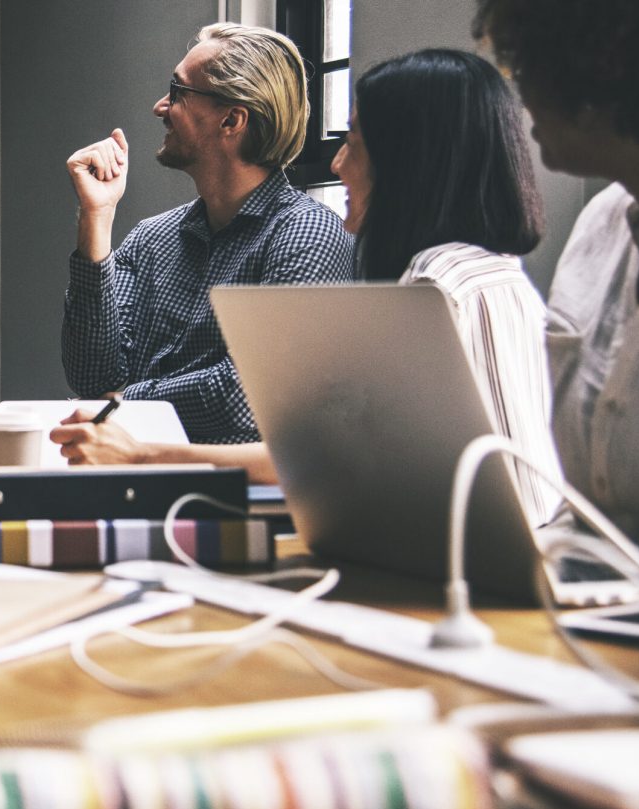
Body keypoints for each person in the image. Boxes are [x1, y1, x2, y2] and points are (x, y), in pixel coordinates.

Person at [53, 48, 563, 528]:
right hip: (499, 557)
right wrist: (96, 220)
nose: (337, 165)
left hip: (493, 575)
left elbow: (320, 449)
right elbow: (93, 376)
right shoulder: (483, 275)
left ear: (408, 164)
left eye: (353, 143)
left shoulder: (435, 288)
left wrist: (134, 434)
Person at [60, 23, 353, 445]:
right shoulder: (151, 238)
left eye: (177, 91)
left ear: (231, 120)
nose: (160, 106)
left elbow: (246, 399)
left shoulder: (306, 233)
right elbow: (91, 377)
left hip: (229, 500)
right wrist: (96, 217)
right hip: (129, 482)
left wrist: (123, 402)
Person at [474, 0, 639, 546]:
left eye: (526, 71)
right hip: (594, 592)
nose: (521, 97)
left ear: (598, 74)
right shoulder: (598, 227)